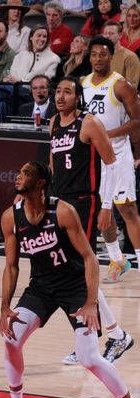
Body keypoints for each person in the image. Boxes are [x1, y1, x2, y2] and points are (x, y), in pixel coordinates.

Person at [0, 161, 140, 398]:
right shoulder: (10, 217)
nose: (17, 175)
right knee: (11, 340)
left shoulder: (62, 211)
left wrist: (90, 302)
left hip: (74, 288)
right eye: (18, 171)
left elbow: (89, 257)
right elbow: (11, 266)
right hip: (42, 288)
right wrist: (4, 307)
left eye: (25, 173)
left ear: (39, 183)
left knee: (88, 358)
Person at [49, 76, 132, 367]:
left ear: (78, 97)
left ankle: (104, 337)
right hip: (61, 202)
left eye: (67, 92)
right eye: (58, 91)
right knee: (73, 271)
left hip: (85, 201)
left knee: (82, 268)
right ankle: (109, 336)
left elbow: (111, 164)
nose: (60, 96)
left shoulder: (89, 123)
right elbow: (53, 165)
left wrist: (106, 206)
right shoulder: (53, 124)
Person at [82, 36, 140, 284]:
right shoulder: (83, 83)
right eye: (94, 54)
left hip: (118, 153)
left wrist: (107, 134)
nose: (97, 59)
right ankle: (117, 259)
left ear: (111, 56)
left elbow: (137, 121)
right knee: (101, 211)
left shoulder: (121, 85)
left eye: (102, 54)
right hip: (95, 156)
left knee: (126, 208)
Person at [102, 22, 140, 89]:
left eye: (111, 33)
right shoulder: (99, 56)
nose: (107, 36)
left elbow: (131, 88)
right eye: (105, 34)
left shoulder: (130, 57)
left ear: (120, 35)